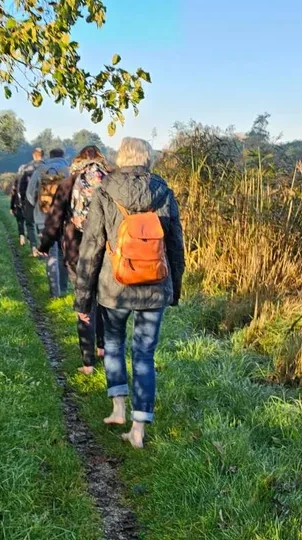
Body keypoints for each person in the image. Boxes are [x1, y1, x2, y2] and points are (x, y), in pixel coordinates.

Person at [74, 137, 185, 449]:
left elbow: (92, 246)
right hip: (155, 285)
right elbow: (175, 244)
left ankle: (118, 409)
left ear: (120, 158)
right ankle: (138, 429)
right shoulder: (163, 191)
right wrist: (174, 288)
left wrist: (83, 297)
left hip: (114, 287)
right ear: (147, 158)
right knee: (144, 354)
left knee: (113, 343)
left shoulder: (105, 190)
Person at [39, 146, 110, 374]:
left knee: (84, 303)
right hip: (106, 250)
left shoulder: (69, 183)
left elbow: (55, 217)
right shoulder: (110, 181)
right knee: (102, 299)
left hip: (75, 251)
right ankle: (103, 347)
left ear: (77, 161)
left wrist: (44, 245)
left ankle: (88, 362)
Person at [26, 148, 70, 297]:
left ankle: (54, 292)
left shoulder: (40, 170)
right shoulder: (68, 170)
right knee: (63, 254)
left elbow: (30, 194)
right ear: (63, 156)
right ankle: (64, 288)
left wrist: (39, 207)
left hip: (43, 218)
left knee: (50, 254)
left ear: (49, 157)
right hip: (64, 219)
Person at [17, 148, 44, 255]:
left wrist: (21, 201)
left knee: (30, 224)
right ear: (42, 155)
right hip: (45, 200)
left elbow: (21, 186)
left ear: (34, 155)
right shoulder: (47, 167)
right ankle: (43, 249)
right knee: (42, 225)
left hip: (29, 199)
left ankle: (34, 248)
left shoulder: (27, 168)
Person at [9, 175, 26, 246]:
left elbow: (13, 195)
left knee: (20, 222)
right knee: (30, 223)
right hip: (28, 206)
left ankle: (22, 237)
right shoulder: (30, 179)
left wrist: (11, 207)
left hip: (18, 205)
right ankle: (30, 239)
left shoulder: (17, 181)